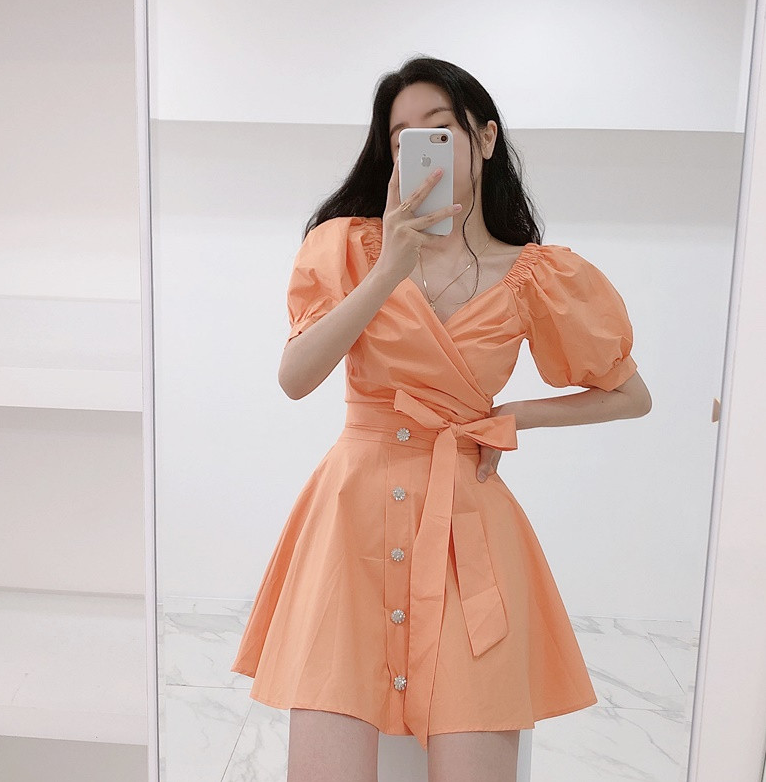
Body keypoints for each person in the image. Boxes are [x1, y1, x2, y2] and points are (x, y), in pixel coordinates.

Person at [231, 55, 652, 782]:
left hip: (469, 532)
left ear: (484, 138)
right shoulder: (348, 247)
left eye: (438, 130)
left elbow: (631, 395)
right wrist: (389, 269)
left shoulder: (537, 276)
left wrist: (515, 414)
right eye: (401, 139)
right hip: (351, 524)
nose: (416, 149)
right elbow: (296, 377)